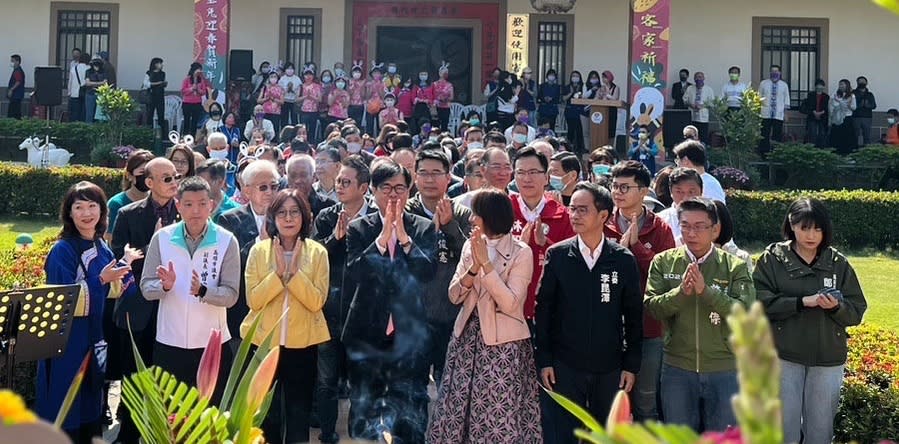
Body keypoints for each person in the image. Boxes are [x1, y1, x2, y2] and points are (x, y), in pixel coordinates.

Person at [427, 188, 541, 442]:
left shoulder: (522, 252)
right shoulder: (470, 245)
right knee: (457, 407)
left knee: (497, 413)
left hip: (503, 345)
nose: (470, 220)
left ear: (489, 217)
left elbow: (511, 303)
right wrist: (473, 268)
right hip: (466, 339)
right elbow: (454, 296)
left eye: (475, 214)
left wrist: (487, 267)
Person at [537, 182, 643, 443]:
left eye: (583, 210)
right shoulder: (558, 255)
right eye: (572, 209)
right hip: (565, 364)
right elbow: (544, 311)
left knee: (604, 434)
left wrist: (631, 365)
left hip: (609, 364)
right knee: (563, 432)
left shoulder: (622, 259)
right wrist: (545, 360)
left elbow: (633, 316)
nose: (575, 215)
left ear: (603, 215)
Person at [754, 198, 866, 444]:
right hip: (783, 356)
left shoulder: (838, 263)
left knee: (821, 431)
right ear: (791, 225)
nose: (811, 235)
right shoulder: (772, 259)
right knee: (785, 429)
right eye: (804, 228)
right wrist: (802, 302)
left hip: (827, 358)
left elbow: (856, 310)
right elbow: (757, 302)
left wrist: (837, 307)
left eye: (818, 229)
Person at [341, 160, 437, 443]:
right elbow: (357, 272)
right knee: (364, 413)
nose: (394, 195)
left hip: (408, 335)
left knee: (409, 414)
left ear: (409, 191)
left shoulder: (423, 227)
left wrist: (405, 239)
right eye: (386, 188)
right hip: (367, 332)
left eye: (400, 188)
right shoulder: (359, 227)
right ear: (373, 190)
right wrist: (383, 240)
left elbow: (427, 272)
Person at [644, 197, 755, 433]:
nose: (691, 233)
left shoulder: (734, 266)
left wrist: (706, 292)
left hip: (724, 368)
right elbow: (652, 307)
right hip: (677, 368)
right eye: (685, 226)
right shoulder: (663, 262)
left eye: (699, 226)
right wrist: (681, 293)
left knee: (723, 436)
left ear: (715, 229)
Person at [37, 182, 136, 443]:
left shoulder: (101, 245)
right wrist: (101, 281)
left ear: (102, 211)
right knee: (65, 407)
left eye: (92, 205)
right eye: (78, 207)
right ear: (69, 213)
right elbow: (61, 301)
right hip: (66, 345)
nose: (86, 213)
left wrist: (125, 268)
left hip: (93, 339)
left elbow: (111, 290)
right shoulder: (62, 251)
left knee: (90, 406)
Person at [241, 189, 329, 443]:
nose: (288, 218)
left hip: (302, 345)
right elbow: (254, 300)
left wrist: (293, 274)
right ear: (273, 217)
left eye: (294, 212)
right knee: (266, 415)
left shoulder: (317, 252)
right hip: (263, 345)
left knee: (298, 412)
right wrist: (278, 275)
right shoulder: (259, 251)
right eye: (282, 213)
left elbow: (316, 302)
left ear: (304, 217)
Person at [140, 176, 238, 390]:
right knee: (172, 413)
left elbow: (231, 295)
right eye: (189, 204)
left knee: (210, 413)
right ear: (178, 206)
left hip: (212, 344)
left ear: (211, 206)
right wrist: (164, 286)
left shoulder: (226, 240)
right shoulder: (162, 238)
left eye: (202, 204)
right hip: (170, 341)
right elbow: (146, 287)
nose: (196, 211)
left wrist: (204, 291)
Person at [109, 158, 181, 444]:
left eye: (175, 176)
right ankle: (128, 434)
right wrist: (154, 244)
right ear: (148, 183)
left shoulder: (187, 212)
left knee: (168, 377)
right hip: (138, 309)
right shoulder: (127, 214)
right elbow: (119, 261)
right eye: (166, 178)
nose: (173, 182)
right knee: (134, 375)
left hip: (174, 307)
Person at [311, 155, 377, 444]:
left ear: (363, 188)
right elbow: (314, 256)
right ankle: (327, 432)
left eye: (346, 182)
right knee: (326, 379)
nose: (339, 186)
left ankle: (357, 429)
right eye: (338, 181)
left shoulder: (376, 219)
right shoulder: (327, 216)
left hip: (363, 310)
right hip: (329, 311)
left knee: (360, 377)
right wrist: (335, 239)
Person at [604, 161, 676, 421]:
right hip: (606, 326)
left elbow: (666, 274)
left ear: (644, 191)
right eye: (614, 186)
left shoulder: (660, 228)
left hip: (648, 327)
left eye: (625, 187)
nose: (618, 192)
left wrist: (637, 248)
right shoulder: (603, 222)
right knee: (610, 402)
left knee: (646, 400)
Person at [406, 149, 472, 387]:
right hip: (414, 314)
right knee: (413, 387)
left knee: (450, 385)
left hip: (451, 313)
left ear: (448, 177)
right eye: (424, 173)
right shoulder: (405, 213)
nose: (430, 180)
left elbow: (471, 257)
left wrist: (450, 226)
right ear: (415, 177)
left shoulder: (463, 214)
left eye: (436, 173)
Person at [216, 160, 281, 353]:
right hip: (245, 312)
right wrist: (258, 243)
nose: (270, 192)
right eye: (263, 187)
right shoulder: (229, 219)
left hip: (279, 312)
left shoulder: (288, 216)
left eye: (274, 186)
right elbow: (230, 264)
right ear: (247, 191)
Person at [508, 146, 576, 330]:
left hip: (550, 310)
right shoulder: (503, 211)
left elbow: (573, 263)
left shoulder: (564, 216)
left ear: (546, 177)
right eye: (520, 172)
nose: (526, 178)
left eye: (533, 172)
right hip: (508, 309)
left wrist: (545, 244)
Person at [107, 150, 155, 240]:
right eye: (142, 173)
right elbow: (111, 239)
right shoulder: (116, 204)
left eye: (151, 173)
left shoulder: (158, 201)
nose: (147, 178)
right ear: (129, 176)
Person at [657, 167, 704, 244]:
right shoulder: (660, 221)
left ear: (701, 192)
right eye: (679, 192)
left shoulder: (712, 218)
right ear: (671, 192)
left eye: (691, 192)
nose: (685, 198)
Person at [287, 154, 337, 219]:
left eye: (303, 175)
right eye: (293, 176)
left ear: (313, 177)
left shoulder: (327, 207)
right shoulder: (279, 207)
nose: (297, 181)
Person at [758, 64, 790, 155]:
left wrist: (786, 114)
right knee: (764, 134)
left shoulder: (784, 85)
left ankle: (776, 154)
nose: (774, 73)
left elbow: (786, 99)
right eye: (772, 71)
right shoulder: (763, 83)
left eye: (776, 71)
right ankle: (763, 154)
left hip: (778, 114)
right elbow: (758, 98)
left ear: (780, 72)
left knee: (777, 135)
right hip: (765, 113)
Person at [683, 72, 714, 144]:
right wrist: (691, 105)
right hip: (692, 117)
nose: (698, 79)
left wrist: (702, 106)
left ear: (703, 78)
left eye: (700, 77)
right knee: (691, 137)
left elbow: (712, 103)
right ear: (694, 79)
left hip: (703, 118)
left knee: (703, 138)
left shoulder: (709, 89)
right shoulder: (690, 88)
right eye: (696, 77)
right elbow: (684, 100)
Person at [829, 79, 857, 155]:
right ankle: (836, 153)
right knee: (836, 136)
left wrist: (847, 105)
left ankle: (847, 153)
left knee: (847, 137)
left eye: (842, 84)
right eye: (840, 84)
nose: (841, 86)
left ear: (847, 85)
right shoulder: (834, 94)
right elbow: (831, 106)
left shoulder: (851, 95)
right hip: (837, 118)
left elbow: (854, 107)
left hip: (847, 118)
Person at [181, 63, 210, 137]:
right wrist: (191, 89)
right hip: (187, 103)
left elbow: (203, 92)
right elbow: (183, 91)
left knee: (195, 121)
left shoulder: (201, 80)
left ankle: (193, 137)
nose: (200, 71)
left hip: (197, 103)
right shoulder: (187, 79)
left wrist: (198, 90)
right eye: (198, 69)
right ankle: (185, 136)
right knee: (186, 120)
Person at [800, 79, 830, 148]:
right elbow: (809, 105)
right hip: (812, 115)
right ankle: (811, 148)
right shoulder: (811, 94)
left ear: (823, 87)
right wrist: (814, 112)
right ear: (815, 86)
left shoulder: (826, 96)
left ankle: (821, 148)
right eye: (818, 85)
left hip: (822, 117)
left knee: (822, 133)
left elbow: (826, 107)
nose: (820, 87)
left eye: (821, 85)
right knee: (812, 133)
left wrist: (821, 113)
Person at [563, 71, 585, 154]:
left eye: (577, 76)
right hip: (570, 111)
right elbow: (564, 98)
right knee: (571, 130)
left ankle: (580, 148)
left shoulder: (582, 86)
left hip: (580, 111)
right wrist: (571, 92)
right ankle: (569, 148)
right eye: (573, 76)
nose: (575, 78)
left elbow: (585, 97)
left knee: (579, 130)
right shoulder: (567, 87)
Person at [142, 57, 168, 129]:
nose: (162, 65)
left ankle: (161, 132)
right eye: (160, 63)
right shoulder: (149, 73)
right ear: (155, 64)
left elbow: (163, 83)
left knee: (161, 114)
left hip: (160, 96)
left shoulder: (163, 74)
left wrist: (164, 84)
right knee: (150, 114)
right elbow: (146, 84)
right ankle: (149, 131)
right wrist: (157, 83)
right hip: (151, 95)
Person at [852, 76, 877, 147]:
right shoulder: (853, 93)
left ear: (866, 83)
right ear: (857, 83)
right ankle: (854, 150)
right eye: (860, 81)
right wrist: (860, 104)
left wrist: (867, 105)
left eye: (863, 81)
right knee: (854, 135)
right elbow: (850, 105)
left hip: (867, 117)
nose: (862, 83)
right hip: (856, 117)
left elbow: (874, 105)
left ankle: (867, 151)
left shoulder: (870, 94)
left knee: (867, 136)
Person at [258, 71, 284, 135]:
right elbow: (259, 100)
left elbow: (282, 102)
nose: (273, 78)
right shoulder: (264, 88)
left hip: (275, 112)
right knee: (262, 128)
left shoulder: (280, 88)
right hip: (264, 112)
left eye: (275, 77)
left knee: (275, 129)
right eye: (271, 77)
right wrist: (266, 99)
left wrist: (274, 99)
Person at [83, 57, 108, 123]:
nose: (96, 66)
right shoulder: (88, 71)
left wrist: (93, 83)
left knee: (100, 114)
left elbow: (105, 83)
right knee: (89, 113)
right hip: (90, 94)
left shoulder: (103, 72)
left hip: (100, 94)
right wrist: (100, 83)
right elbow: (87, 83)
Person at [433, 63, 455, 132]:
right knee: (435, 125)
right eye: (442, 73)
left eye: (446, 73)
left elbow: (451, 97)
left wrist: (445, 99)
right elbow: (431, 95)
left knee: (444, 125)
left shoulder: (449, 85)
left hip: (446, 107)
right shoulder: (434, 84)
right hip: (436, 107)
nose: (444, 74)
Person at [68, 53, 89, 122]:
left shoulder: (73, 68)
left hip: (74, 93)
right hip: (85, 93)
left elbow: (70, 82)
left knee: (74, 114)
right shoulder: (89, 69)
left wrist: (69, 92)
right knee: (83, 114)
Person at [412, 70, 435, 135]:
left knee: (427, 124)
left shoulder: (431, 85)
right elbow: (413, 97)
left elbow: (434, 96)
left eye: (425, 74)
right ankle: (417, 137)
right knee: (417, 124)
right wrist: (417, 100)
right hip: (418, 107)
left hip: (427, 108)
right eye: (421, 74)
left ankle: (427, 136)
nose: (423, 76)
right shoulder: (416, 85)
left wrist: (428, 101)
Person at [278, 62, 301, 127]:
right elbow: (280, 91)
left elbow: (299, 90)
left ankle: (295, 132)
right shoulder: (282, 79)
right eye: (288, 68)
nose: (290, 70)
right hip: (285, 101)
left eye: (291, 68)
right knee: (284, 118)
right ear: (285, 70)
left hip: (294, 101)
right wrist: (287, 89)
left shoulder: (297, 79)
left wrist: (292, 90)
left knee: (294, 118)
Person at [7, 54, 25, 119]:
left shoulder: (17, 71)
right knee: (16, 113)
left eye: (12, 61)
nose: (11, 63)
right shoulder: (16, 70)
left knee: (13, 113)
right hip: (16, 96)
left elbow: (18, 81)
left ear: (17, 62)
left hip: (16, 95)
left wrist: (11, 90)